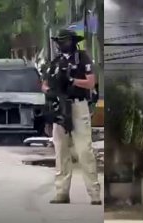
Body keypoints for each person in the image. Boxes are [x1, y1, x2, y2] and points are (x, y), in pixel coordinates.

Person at [41, 29, 101, 205]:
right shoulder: (55, 62)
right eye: (60, 41)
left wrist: (72, 81)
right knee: (61, 151)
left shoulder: (82, 58)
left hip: (78, 105)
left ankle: (95, 194)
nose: (62, 44)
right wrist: (50, 91)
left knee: (84, 151)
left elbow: (90, 82)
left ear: (73, 41)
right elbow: (44, 85)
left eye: (66, 40)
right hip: (60, 106)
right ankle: (61, 193)